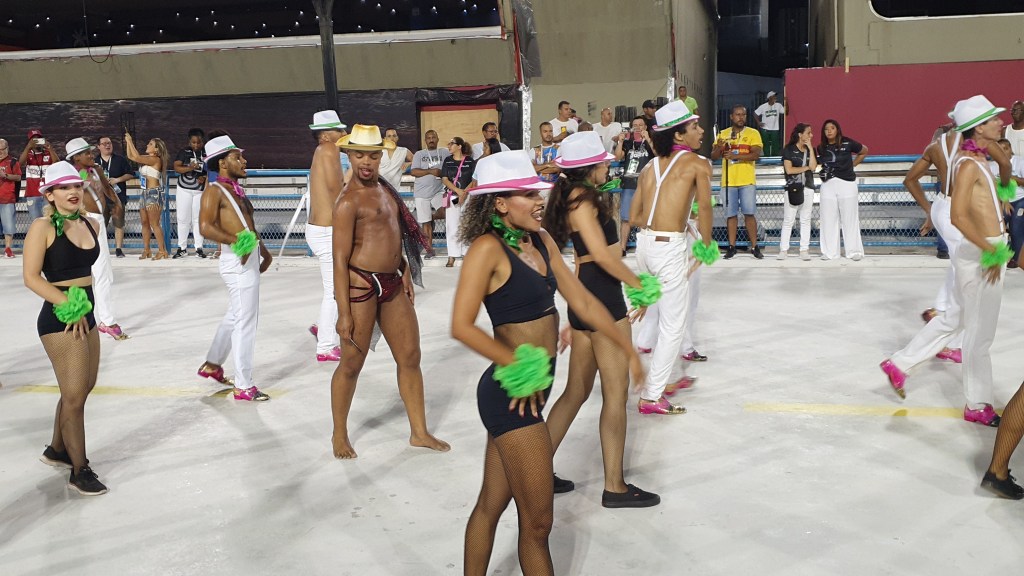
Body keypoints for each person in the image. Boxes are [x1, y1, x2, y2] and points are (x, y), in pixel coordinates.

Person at [452, 150, 644, 576]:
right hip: (510, 394)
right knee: (538, 523)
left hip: (535, 391)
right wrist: (515, 365)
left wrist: (626, 347)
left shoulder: (540, 240)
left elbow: (582, 302)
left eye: (538, 193)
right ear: (500, 203)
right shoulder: (486, 250)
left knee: (490, 504)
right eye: (528, 194)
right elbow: (461, 325)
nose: (540, 201)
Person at [541, 132, 660, 507]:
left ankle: (535, 471)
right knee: (615, 394)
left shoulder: (571, 196)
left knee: (576, 392)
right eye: (603, 162)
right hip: (603, 299)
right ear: (590, 166)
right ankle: (615, 487)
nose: (608, 167)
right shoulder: (582, 199)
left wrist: (576, 312)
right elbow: (605, 258)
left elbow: (583, 259)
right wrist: (641, 286)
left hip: (586, 298)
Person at [881, 96, 1011, 427]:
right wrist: (990, 250)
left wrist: (1001, 204)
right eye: (993, 119)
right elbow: (958, 216)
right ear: (978, 128)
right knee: (979, 335)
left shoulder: (979, 158)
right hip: (982, 253)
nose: (1001, 122)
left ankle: (900, 363)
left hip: (983, 250)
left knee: (957, 317)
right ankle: (977, 404)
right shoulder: (968, 164)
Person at [330, 124, 449, 459]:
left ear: (381, 156)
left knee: (410, 356)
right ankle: (339, 433)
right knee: (351, 364)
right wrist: (343, 313)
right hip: (360, 286)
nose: (366, 162)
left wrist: (405, 269)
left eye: (372, 155)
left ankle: (419, 432)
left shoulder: (386, 189)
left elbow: (392, 233)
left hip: (393, 283)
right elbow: (338, 260)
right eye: (359, 155)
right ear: (349, 156)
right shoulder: (347, 201)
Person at [22, 162, 107, 495]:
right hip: (61, 318)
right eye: (64, 187)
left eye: (77, 186)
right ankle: (79, 469)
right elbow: (31, 278)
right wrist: (68, 305)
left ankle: (57, 449)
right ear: (49, 194)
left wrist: (83, 309)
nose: (73, 192)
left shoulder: (90, 223)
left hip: (86, 313)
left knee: (84, 387)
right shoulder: (42, 227)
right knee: (74, 398)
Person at [630, 100, 717, 414]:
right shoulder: (698, 163)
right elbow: (704, 207)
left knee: (657, 314)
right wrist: (705, 245)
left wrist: (670, 217)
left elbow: (634, 216)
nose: (701, 130)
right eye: (695, 126)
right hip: (668, 249)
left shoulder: (648, 167)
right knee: (673, 325)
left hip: (643, 246)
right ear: (679, 135)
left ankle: (664, 380)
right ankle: (652, 395)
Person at [196, 136, 273, 402]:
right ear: (222, 163)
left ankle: (212, 364)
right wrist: (237, 243)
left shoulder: (235, 190)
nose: (244, 161)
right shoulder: (214, 190)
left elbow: (248, 225)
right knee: (245, 322)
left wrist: (263, 251)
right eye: (237, 157)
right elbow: (205, 227)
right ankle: (243, 385)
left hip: (248, 257)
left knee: (235, 315)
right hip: (236, 261)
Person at [67, 138, 129, 341]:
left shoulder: (96, 170)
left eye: (90, 152)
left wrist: (117, 203)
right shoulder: (75, 175)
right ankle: (104, 320)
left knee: (103, 272)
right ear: (76, 158)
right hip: (86, 222)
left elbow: (107, 189)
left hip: (99, 221)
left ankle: (104, 319)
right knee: (95, 272)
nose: (91, 155)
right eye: (86, 153)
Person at [307, 110, 349, 362]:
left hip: (321, 229)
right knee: (334, 291)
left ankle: (322, 326)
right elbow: (337, 190)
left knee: (335, 288)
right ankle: (325, 346)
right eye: (339, 130)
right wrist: (355, 174)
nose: (344, 133)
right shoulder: (329, 150)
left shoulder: (323, 151)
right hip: (326, 231)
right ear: (325, 135)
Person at [711, 105, 763, 259]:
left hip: (747, 181)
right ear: (731, 117)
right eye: (738, 114)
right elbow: (713, 156)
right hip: (728, 182)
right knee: (731, 215)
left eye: (743, 115)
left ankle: (754, 246)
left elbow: (756, 155)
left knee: (749, 214)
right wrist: (719, 147)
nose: (741, 117)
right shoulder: (723, 134)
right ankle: (731, 247)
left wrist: (736, 157)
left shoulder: (753, 133)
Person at [817, 119, 868, 261]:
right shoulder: (821, 147)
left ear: (837, 129)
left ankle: (854, 251)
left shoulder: (848, 142)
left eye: (832, 128)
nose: (829, 131)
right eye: (826, 129)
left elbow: (864, 150)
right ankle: (830, 253)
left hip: (847, 183)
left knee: (849, 219)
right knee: (828, 219)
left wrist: (852, 165)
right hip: (828, 185)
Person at [124, 133, 170, 260]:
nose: (147, 145)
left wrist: (130, 141)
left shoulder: (156, 160)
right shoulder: (148, 158)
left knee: (154, 223)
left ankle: (162, 250)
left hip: (153, 193)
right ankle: (147, 249)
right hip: (144, 193)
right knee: (144, 222)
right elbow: (131, 156)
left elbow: (136, 156)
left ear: (156, 149)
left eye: (150, 144)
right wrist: (128, 142)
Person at [614, 116, 654, 254]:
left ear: (645, 127)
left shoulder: (651, 141)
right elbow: (617, 157)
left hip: (646, 184)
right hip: (629, 184)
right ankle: (622, 248)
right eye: (635, 125)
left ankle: (645, 248)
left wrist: (648, 138)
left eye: (640, 125)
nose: (637, 127)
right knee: (626, 218)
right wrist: (620, 141)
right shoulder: (628, 142)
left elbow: (658, 154)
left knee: (646, 217)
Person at [777, 123, 817, 260]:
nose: (811, 135)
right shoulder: (788, 150)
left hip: (808, 187)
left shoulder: (811, 150)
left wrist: (810, 148)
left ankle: (804, 249)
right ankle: (783, 250)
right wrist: (805, 168)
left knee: (805, 219)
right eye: (808, 133)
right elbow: (789, 170)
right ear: (800, 135)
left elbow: (813, 167)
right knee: (789, 220)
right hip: (793, 188)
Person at [410, 129, 450, 258]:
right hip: (421, 193)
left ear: (438, 139)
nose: (431, 140)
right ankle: (429, 250)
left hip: (439, 190)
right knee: (425, 223)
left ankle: (432, 217)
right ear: (425, 140)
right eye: (428, 138)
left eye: (433, 137)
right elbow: (414, 172)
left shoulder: (444, 152)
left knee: (447, 211)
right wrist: (430, 171)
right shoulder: (419, 154)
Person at [441, 136, 477, 267]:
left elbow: (474, 179)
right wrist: (458, 191)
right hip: (453, 196)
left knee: (466, 223)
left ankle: (467, 253)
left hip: (467, 196)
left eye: (452, 144)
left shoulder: (470, 161)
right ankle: (452, 255)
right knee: (452, 225)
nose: (449, 146)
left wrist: (465, 193)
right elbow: (444, 179)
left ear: (459, 146)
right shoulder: (448, 160)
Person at [171, 128, 208, 259]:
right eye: (193, 142)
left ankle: (199, 248)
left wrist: (204, 177)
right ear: (189, 141)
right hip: (184, 188)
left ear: (203, 141)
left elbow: (211, 170)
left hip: (199, 190)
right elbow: (177, 167)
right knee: (183, 218)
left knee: (198, 219)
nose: (196, 145)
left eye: (199, 142)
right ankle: (182, 248)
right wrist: (190, 168)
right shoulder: (184, 152)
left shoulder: (206, 153)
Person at [988, 139, 1024, 267]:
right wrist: (1003, 200)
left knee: (1016, 227)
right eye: (1000, 149)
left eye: (1006, 149)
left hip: (1020, 199)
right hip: (1001, 201)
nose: (1003, 152)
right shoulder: (991, 166)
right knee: (997, 228)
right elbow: (992, 187)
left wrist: (1012, 177)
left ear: (1011, 149)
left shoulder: (1020, 162)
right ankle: (999, 256)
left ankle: (1017, 258)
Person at [95, 136, 132, 258]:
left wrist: (117, 179)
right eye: (104, 143)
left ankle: (118, 249)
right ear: (98, 146)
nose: (108, 145)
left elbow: (130, 174)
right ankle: (100, 249)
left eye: (109, 143)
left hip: (117, 197)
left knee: (119, 223)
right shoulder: (94, 162)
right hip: (101, 198)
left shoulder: (120, 160)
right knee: (101, 224)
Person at [19, 129, 58, 222]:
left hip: (47, 193)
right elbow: (20, 164)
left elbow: (57, 163)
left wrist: (50, 148)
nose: (36, 142)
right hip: (32, 193)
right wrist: (28, 147)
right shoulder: (28, 154)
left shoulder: (48, 153)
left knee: (50, 220)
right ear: (29, 141)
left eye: (38, 139)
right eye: (34, 140)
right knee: (36, 221)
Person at [0, 138, 22, 258]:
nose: (0, 152)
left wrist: (5, 175)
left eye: (2, 149)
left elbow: (18, 177)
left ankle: (8, 248)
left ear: (7, 148)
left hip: (7, 198)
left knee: (8, 225)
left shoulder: (13, 161)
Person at [754, 91, 785, 156]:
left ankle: (775, 157)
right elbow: (755, 113)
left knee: (775, 144)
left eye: (775, 96)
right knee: (766, 143)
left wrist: (786, 102)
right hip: (765, 128)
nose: (775, 97)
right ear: (769, 97)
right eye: (774, 96)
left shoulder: (778, 105)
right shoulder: (763, 106)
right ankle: (767, 156)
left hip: (775, 128)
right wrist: (758, 122)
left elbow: (785, 111)